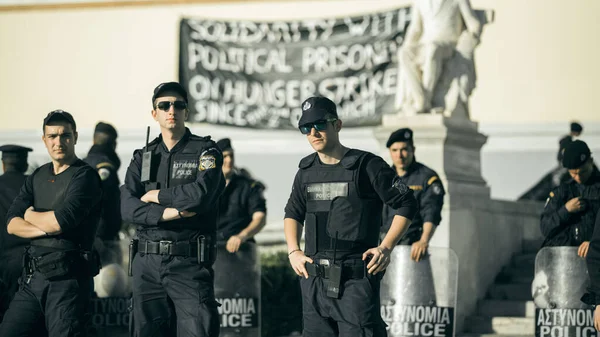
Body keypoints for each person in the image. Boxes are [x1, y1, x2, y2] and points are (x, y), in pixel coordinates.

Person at [284, 96, 418, 336]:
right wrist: (293, 251)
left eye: (320, 125)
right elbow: (293, 212)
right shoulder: (305, 171)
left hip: (354, 282)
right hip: (314, 283)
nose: (313, 132)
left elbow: (406, 203)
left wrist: (385, 248)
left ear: (337, 125)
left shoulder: (367, 165)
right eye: (306, 128)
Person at [120, 82, 225, 337]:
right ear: (154, 113)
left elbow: (200, 196)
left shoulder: (205, 151)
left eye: (178, 105)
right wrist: (169, 212)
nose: (172, 110)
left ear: (186, 112)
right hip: (146, 263)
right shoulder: (142, 156)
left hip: (187, 262)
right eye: (164, 105)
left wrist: (158, 195)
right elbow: (126, 206)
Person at [0, 110, 103, 336]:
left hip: (68, 283)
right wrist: (45, 228)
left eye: (64, 135)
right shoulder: (37, 176)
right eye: (52, 136)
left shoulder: (85, 177)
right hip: (31, 279)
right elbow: (11, 223)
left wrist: (30, 215)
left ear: (75, 137)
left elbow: (60, 222)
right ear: (44, 140)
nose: (59, 142)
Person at [381, 128, 445, 261]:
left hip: (411, 249)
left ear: (413, 150)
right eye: (394, 150)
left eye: (404, 149)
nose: (400, 155)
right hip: (382, 247)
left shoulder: (427, 177)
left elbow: (431, 211)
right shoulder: (384, 177)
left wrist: (423, 241)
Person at [540, 140, 600, 256]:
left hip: (593, 261)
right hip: (563, 262)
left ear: (591, 162)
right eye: (573, 173)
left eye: (583, 172)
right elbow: (545, 228)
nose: (578, 177)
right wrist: (565, 210)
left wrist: (595, 243)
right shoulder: (562, 191)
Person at [215, 138, 267, 252]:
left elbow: (260, 218)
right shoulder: (205, 187)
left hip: (241, 251)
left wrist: (242, 235)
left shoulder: (249, 186)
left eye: (231, 156)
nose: (229, 160)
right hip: (213, 251)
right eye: (224, 157)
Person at [0, 145, 33, 323]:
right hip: (36, 258)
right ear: (25, 163)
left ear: (3, 164)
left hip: (5, 262)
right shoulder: (34, 185)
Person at [83, 122, 123, 266]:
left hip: (85, 239)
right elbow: (107, 207)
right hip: (103, 240)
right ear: (114, 144)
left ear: (94, 140)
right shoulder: (105, 168)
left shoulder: (82, 165)